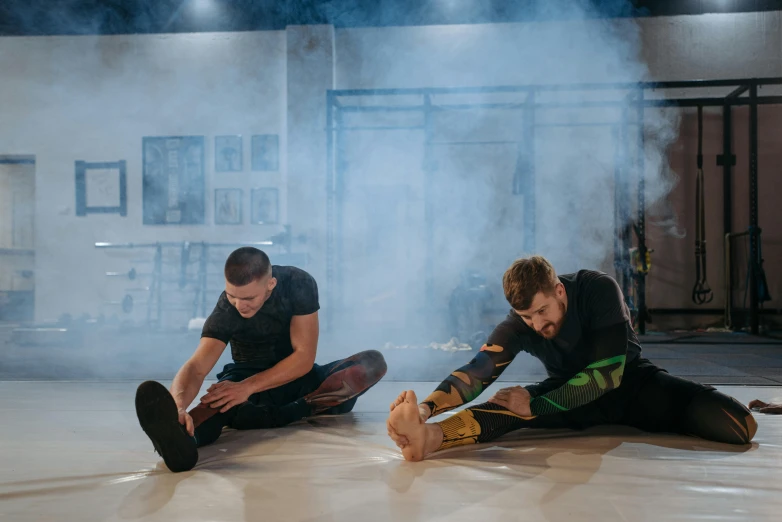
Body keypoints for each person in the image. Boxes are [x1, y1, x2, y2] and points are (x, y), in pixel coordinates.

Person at [387, 255, 757, 461]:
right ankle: (429, 439)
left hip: (634, 386)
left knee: (740, 426)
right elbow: (477, 372)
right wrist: (426, 409)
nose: (536, 324)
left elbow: (607, 376)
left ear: (560, 291)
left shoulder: (597, 289)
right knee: (505, 406)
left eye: (542, 311)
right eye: (527, 317)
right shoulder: (520, 324)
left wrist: (537, 405)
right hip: (568, 393)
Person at [135, 247, 387, 472]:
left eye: (247, 299)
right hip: (243, 380)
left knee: (371, 363)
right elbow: (197, 367)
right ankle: (183, 441)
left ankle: (303, 405)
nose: (239, 305)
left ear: (271, 284)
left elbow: (303, 358)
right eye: (232, 296)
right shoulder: (228, 307)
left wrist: (249, 387)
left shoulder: (298, 283)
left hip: (296, 378)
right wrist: (177, 406)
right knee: (218, 401)